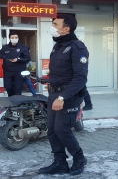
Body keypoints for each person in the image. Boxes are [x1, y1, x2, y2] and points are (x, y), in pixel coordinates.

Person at [38, 14, 89, 175]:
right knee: (52, 130)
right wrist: (47, 80)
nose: (52, 27)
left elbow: (80, 78)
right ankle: (59, 162)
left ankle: (79, 158)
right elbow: (62, 72)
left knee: (62, 129)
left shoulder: (77, 47)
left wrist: (62, 97)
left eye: (55, 24)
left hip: (69, 96)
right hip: (54, 94)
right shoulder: (58, 46)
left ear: (66, 29)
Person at [0, 31, 31, 97]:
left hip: (19, 71)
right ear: (9, 38)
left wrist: (18, 59)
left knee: (18, 89)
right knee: (8, 88)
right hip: (8, 71)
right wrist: (6, 57)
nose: (14, 39)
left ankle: (17, 103)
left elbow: (27, 58)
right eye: (12, 37)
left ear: (18, 38)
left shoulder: (23, 48)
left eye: (16, 37)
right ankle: (11, 102)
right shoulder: (5, 47)